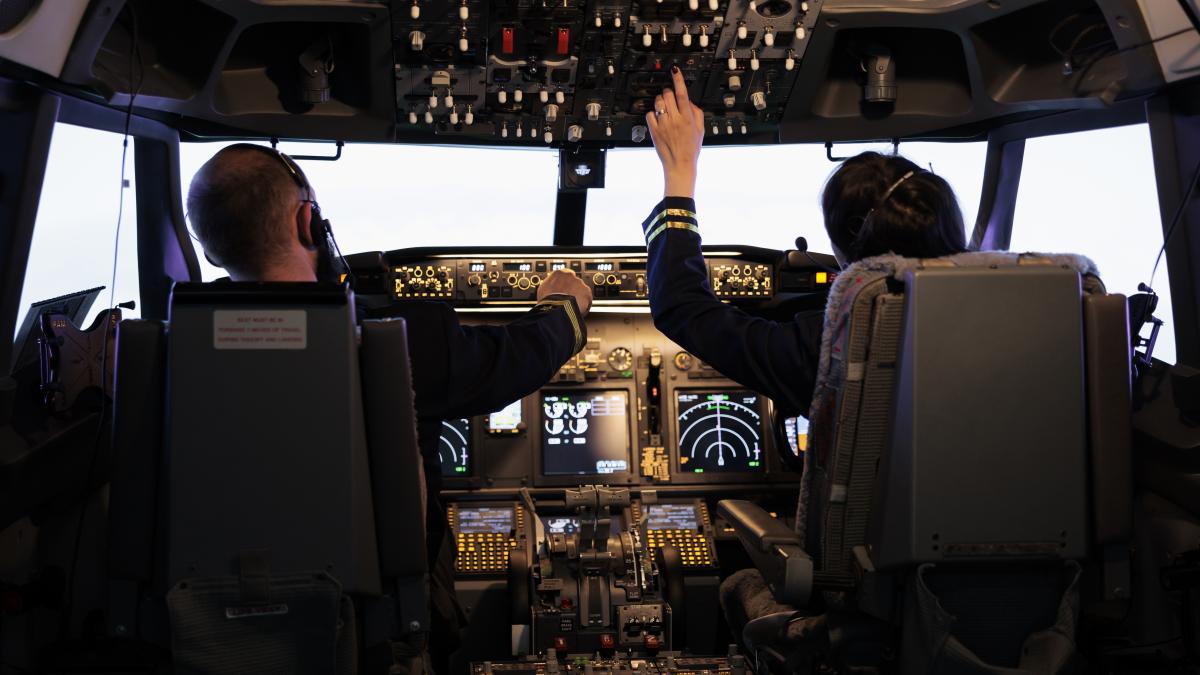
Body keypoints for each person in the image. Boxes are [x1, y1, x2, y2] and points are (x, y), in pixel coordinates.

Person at [186, 143, 592, 673]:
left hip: (222, 628)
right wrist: (564, 311)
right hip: (380, 630)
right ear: (308, 222)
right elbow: (506, 364)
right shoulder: (393, 338)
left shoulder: (180, 347)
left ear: (214, 253)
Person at [641, 67, 968, 418]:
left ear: (848, 248)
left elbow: (682, 306)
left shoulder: (836, 344)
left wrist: (680, 170)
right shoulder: (1008, 315)